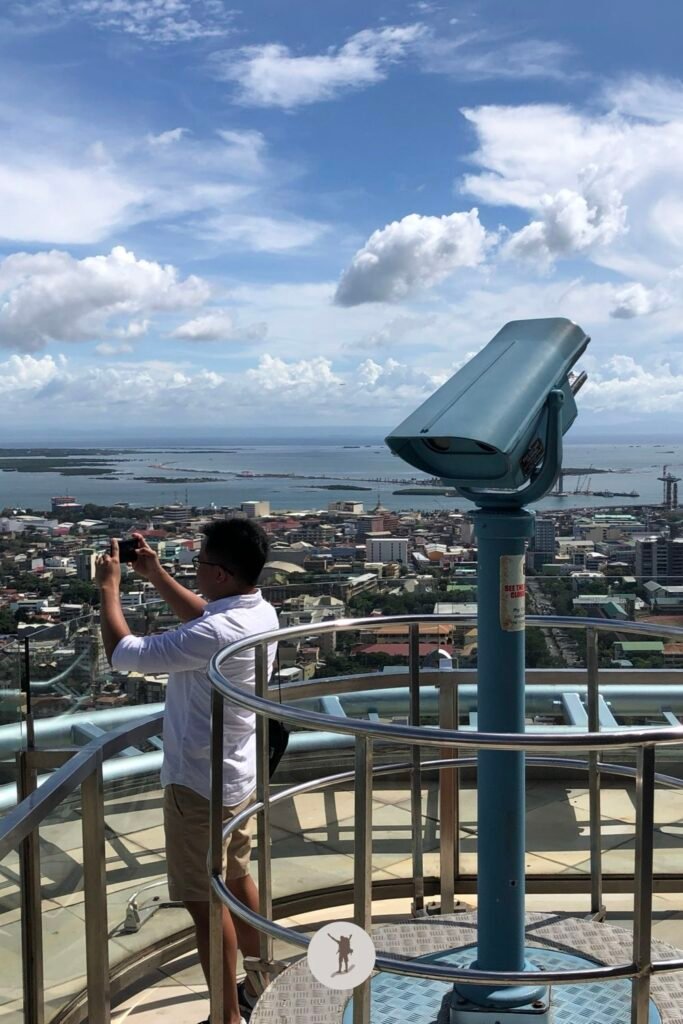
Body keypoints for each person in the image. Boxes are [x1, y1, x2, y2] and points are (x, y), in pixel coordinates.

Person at [96, 518, 278, 1024]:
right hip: (238, 776)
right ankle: (262, 975)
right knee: (237, 875)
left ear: (219, 573)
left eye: (198, 563)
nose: (193, 568)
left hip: (197, 783)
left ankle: (225, 1018)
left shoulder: (214, 631)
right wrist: (155, 574)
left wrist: (109, 589)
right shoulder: (261, 612)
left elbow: (122, 654)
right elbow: (208, 618)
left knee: (204, 903)